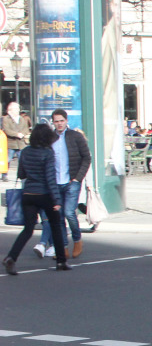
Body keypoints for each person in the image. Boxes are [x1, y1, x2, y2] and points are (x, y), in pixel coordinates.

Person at [3, 123, 69, 274]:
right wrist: (57, 200)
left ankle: (11, 257)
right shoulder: (48, 153)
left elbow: (21, 174)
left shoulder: (25, 151)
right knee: (56, 226)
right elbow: (50, 179)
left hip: (28, 194)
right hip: (44, 194)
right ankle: (61, 261)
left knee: (28, 229)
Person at [34, 109, 91, 260]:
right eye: (56, 121)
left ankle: (77, 240)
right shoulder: (50, 138)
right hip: (55, 183)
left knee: (69, 213)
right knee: (58, 217)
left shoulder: (75, 136)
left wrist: (78, 178)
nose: (59, 124)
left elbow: (86, 158)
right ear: (52, 122)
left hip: (71, 181)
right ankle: (63, 247)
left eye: (61, 121)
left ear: (66, 121)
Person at [3, 102, 31, 181]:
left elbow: (26, 128)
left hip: (21, 143)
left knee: (22, 160)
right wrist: (16, 134)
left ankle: (22, 175)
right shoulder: (6, 119)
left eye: (18, 108)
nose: (18, 110)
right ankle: (4, 174)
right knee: (7, 160)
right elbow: (7, 130)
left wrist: (22, 133)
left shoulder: (22, 118)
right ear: (10, 110)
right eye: (16, 109)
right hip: (11, 143)